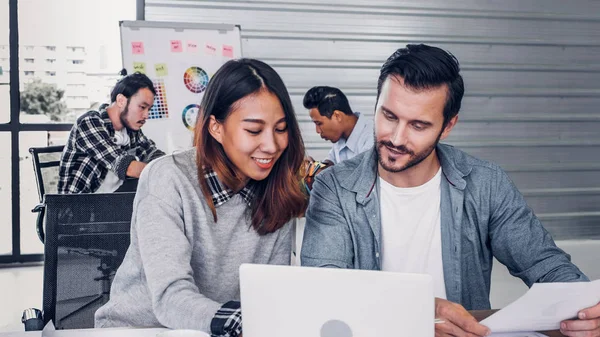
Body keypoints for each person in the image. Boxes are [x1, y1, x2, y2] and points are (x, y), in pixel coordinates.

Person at [301, 44, 600, 337]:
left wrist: (585, 308)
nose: (396, 137)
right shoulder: (334, 188)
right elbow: (325, 290)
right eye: (389, 116)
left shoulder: (486, 184)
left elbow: (543, 263)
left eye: (418, 125)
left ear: (447, 126)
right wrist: (418, 313)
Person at [95, 59, 307, 337]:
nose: (272, 145)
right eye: (254, 130)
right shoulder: (168, 179)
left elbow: (269, 291)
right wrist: (248, 322)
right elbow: (171, 296)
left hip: (222, 331)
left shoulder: (277, 188)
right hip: (142, 330)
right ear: (215, 127)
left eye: (280, 129)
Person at [58, 73, 165, 194]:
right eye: (142, 107)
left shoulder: (130, 129)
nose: (146, 115)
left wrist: (171, 165)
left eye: (149, 109)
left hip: (110, 203)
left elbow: (153, 154)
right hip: (79, 207)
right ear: (121, 101)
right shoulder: (89, 122)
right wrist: (163, 172)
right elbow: (125, 166)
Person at [303, 86, 373, 165]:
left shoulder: (372, 139)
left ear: (337, 116)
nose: (317, 131)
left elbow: (359, 173)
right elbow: (331, 163)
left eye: (319, 123)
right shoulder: (340, 136)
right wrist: (316, 166)